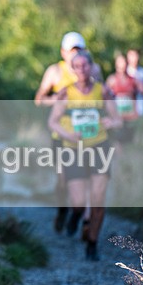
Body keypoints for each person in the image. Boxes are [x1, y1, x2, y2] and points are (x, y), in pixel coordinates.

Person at [48, 50, 121, 261]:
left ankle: (92, 243)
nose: (81, 70)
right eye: (77, 66)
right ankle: (75, 216)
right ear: (72, 69)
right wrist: (68, 134)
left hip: (99, 147)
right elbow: (52, 122)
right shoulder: (65, 92)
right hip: (73, 150)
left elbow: (117, 119)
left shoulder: (102, 90)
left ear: (91, 67)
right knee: (79, 203)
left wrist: (110, 122)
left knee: (98, 199)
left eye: (85, 66)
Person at [35, 32, 101, 233]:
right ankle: (65, 210)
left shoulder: (93, 69)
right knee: (64, 180)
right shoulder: (55, 71)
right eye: (72, 50)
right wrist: (57, 100)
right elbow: (39, 99)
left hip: (90, 135)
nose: (76, 53)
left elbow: (103, 95)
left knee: (90, 178)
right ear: (63, 52)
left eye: (79, 49)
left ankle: (85, 220)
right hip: (62, 136)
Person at [105, 52, 139, 145]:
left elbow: (136, 96)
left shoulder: (133, 80)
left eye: (123, 62)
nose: (122, 65)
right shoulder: (112, 79)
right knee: (118, 142)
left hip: (130, 116)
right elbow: (106, 97)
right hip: (117, 116)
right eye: (119, 62)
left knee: (131, 142)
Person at [126, 48, 143, 116]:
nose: (133, 58)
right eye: (131, 55)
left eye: (135, 55)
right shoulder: (124, 72)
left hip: (141, 104)